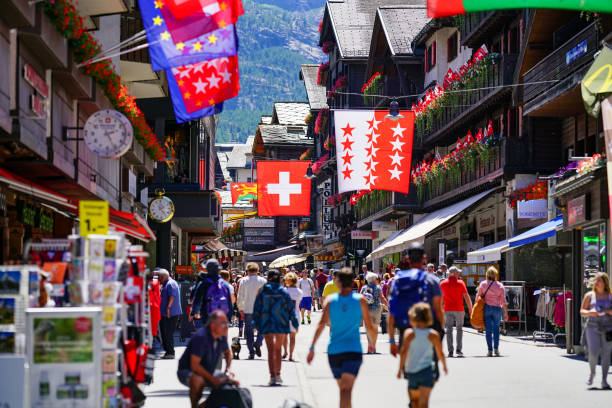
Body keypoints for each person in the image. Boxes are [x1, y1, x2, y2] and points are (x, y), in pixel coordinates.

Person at [307, 268, 376, 408]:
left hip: (334, 351)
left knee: (343, 389)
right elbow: (369, 325)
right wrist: (372, 343)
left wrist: (312, 347)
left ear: (338, 282)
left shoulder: (331, 301)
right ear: (353, 282)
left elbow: (321, 325)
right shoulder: (361, 300)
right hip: (354, 350)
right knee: (347, 390)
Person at [387, 243, 444, 381]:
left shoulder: (399, 280)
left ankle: (414, 398)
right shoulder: (432, 280)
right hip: (429, 329)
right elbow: (438, 309)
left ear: (407, 259)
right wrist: (440, 331)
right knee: (430, 373)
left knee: (410, 373)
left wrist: (391, 340)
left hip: (406, 331)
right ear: (424, 259)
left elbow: (391, 313)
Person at [177, 311, 238, 408]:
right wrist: (213, 379)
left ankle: (203, 406)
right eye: (223, 324)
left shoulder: (221, 336)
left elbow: (227, 352)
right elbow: (195, 365)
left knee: (233, 382)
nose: (226, 327)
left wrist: (228, 369)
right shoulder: (201, 338)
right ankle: (194, 405)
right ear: (213, 325)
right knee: (198, 380)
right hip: (188, 370)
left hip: (208, 370)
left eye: (227, 323)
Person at [252, 269, 299, 386]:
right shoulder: (283, 291)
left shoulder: (263, 291)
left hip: (267, 322)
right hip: (281, 322)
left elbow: (257, 308)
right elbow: (290, 308)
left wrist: (255, 323)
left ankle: (272, 376)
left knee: (270, 351)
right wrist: (295, 323)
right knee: (278, 350)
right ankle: (278, 374)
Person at [398, 302, 447, 408]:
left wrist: (400, 369)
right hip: (427, 372)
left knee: (415, 401)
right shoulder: (433, 334)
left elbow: (403, 352)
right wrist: (444, 366)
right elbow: (440, 353)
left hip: (412, 372)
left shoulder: (409, 333)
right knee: (424, 403)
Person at [579, 272, 612, 388]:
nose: (596, 282)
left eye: (599, 280)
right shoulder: (589, 295)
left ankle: (604, 380)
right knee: (593, 353)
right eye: (596, 280)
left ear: (605, 282)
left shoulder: (610, 295)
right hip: (592, 326)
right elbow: (582, 312)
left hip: (608, 327)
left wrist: (608, 311)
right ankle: (592, 373)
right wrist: (590, 312)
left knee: (606, 354)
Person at [440, 266, 473, 357]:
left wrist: (439, 308)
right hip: (459, 309)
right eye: (457, 272)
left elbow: (441, 298)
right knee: (459, 329)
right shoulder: (460, 283)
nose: (459, 274)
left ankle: (450, 350)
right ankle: (459, 350)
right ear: (454, 273)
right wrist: (470, 308)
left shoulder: (443, 284)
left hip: (447, 309)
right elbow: (466, 296)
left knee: (449, 330)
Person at [476, 266, 508, 356]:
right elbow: (503, 301)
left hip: (487, 308)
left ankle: (489, 350)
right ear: (495, 275)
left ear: (487, 274)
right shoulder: (500, 285)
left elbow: (477, 297)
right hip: (497, 309)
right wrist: (506, 313)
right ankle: (496, 349)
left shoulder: (483, 284)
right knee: (496, 329)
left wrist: (476, 308)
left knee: (488, 330)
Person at [236, 262, 266, 359]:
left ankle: (251, 352)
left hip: (248, 309)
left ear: (248, 271)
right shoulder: (263, 281)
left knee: (249, 332)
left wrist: (240, 308)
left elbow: (240, 296)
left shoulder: (243, 281)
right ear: (257, 270)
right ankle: (258, 342)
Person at [191, 259, 232, 326]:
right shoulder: (224, 284)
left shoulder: (203, 284)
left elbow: (197, 301)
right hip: (221, 318)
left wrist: (193, 313)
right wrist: (228, 319)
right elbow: (229, 303)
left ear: (207, 270)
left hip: (207, 317)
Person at [360, 272, 388, 353]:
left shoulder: (364, 287)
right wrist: (387, 305)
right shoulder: (378, 287)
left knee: (368, 328)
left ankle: (369, 346)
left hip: (366, 310)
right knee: (375, 328)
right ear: (374, 279)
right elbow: (382, 298)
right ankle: (374, 346)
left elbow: (360, 298)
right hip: (376, 310)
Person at [159, 268, 182, 359]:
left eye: (160, 277)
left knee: (168, 333)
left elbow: (172, 296)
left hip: (170, 313)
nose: (159, 279)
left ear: (164, 277)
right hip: (166, 313)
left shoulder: (170, 283)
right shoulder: (166, 283)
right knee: (165, 333)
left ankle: (170, 352)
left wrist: (168, 308)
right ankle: (168, 352)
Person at [284, 272, 303, 361]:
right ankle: (291, 355)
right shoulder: (300, 292)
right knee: (293, 337)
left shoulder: (284, 290)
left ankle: (285, 352)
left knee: (284, 335)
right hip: (295, 315)